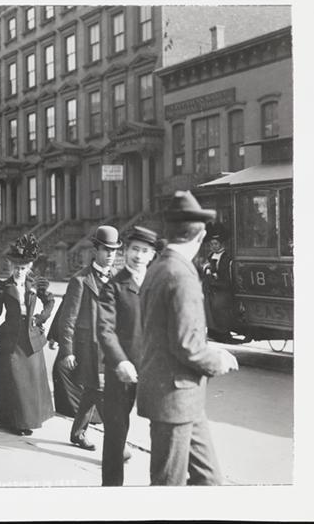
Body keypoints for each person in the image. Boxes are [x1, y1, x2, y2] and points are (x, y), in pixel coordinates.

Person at [137, 191, 239, 486]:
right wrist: (217, 360)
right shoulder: (180, 274)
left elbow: (170, 332)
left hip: (181, 398)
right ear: (200, 235)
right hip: (174, 397)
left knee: (209, 480)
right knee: (168, 485)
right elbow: (187, 345)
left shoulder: (159, 268)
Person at [98, 226, 158, 486]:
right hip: (122, 370)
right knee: (115, 431)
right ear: (126, 251)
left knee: (162, 431)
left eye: (144, 251)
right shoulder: (114, 286)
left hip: (155, 369)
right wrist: (120, 360)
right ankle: (112, 490)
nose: (138, 256)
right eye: (134, 249)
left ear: (152, 255)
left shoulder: (158, 282)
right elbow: (105, 329)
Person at [58, 226, 121, 451]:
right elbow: (68, 319)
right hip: (89, 349)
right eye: (106, 250)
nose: (111, 254)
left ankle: (77, 433)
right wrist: (67, 351)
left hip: (111, 349)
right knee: (102, 393)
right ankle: (118, 444)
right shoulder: (80, 280)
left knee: (92, 392)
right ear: (96, 251)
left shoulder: (118, 277)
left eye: (114, 250)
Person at [0, 234, 55, 436]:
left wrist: (40, 318)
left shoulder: (35, 284)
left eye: (23, 268)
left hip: (31, 338)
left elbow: (50, 302)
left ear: (29, 267)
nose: (19, 271)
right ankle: (13, 422)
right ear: (11, 266)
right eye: (16, 267)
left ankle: (29, 420)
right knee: (13, 380)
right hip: (10, 338)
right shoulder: (2, 286)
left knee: (31, 380)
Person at [201, 223, 235, 344]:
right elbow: (206, 267)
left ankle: (223, 333)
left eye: (215, 244)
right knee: (208, 305)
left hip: (222, 287)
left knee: (219, 305)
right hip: (211, 287)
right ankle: (212, 331)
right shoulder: (211, 256)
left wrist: (215, 275)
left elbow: (225, 275)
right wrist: (207, 270)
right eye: (211, 244)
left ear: (221, 244)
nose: (213, 246)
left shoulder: (226, 257)